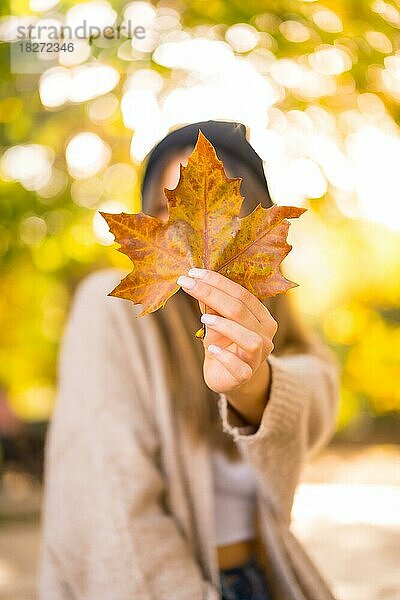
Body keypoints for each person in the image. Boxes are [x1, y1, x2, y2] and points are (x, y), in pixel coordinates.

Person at [39, 121, 339, 600]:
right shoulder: (112, 310)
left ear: (258, 223)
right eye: (164, 211)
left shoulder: (272, 320)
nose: (191, 238)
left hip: (263, 580)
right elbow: (111, 510)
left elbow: (318, 393)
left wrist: (253, 384)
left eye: (223, 212)